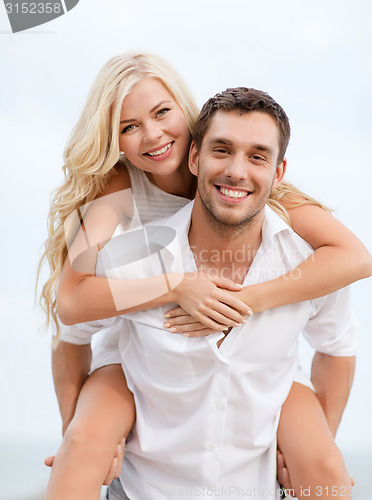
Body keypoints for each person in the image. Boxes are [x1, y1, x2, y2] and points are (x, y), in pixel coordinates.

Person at [37, 53, 370, 499]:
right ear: (112, 139)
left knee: (324, 465)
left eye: (161, 113)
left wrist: (248, 302)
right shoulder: (114, 191)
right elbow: (73, 304)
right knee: (84, 443)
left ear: (186, 115)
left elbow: (356, 258)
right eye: (128, 126)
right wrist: (177, 287)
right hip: (136, 345)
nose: (152, 135)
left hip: (256, 360)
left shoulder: (247, 184)